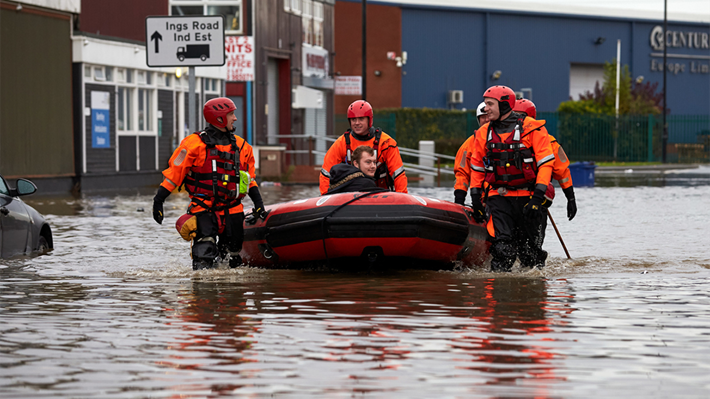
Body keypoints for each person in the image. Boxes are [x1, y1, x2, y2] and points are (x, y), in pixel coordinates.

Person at [152, 97, 266, 270]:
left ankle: (229, 294)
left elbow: (249, 179)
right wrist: (158, 200)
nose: (235, 118)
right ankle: (204, 295)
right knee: (203, 258)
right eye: (231, 114)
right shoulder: (192, 145)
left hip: (233, 209)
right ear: (219, 118)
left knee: (233, 259)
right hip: (203, 209)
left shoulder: (243, 147)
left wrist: (259, 203)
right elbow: (174, 175)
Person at [468, 86, 555, 272]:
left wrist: (537, 199)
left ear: (505, 104)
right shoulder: (484, 133)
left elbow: (546, 165)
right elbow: (476, 167)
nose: (485, 109)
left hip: (530, 198)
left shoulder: (533, 128)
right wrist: (475, 197)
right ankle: (499, 288)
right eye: (485, 104)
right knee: (502, 247)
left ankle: (531, 292)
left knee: (530, 253)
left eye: (490, 104)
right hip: (499, 198)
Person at [319, 100, 407, 195]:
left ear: (369, 120)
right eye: (353, 119)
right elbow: (326, 173)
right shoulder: (342, 143)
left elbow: (398, 174)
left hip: (381, 193)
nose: (357, 123)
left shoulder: (386, 143)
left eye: (361, 119)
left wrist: (402, 198)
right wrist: (325, 197)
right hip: (349, 195)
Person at [513, 99, 577, 221]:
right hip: (535, 198)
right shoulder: (549, 141)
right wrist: (571, 199)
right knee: (534, 237)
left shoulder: (497, 138)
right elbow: (562, 172)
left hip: (502, 198)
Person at [454, 102, 488, 205]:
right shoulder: (469, 144)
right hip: (480, 198)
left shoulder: (506, 140)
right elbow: (461, 173)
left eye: (488, 116)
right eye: (483, 117)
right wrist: (459, 201)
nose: (486, 120)